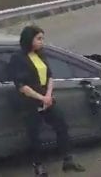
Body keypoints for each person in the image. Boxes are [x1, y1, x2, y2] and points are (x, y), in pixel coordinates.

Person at [9, 26, 85, 177]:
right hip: (30, 102)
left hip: (47, 100)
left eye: (42, 38)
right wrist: (41, 98)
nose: (42, 42)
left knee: (62, 126)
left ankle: (67, 160)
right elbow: (21, 86)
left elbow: (50, 76)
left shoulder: (40, 54)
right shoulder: (18, 58)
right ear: (29, 39)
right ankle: (38, 166)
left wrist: (48, 96)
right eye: (39, 39)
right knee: (35, 135)